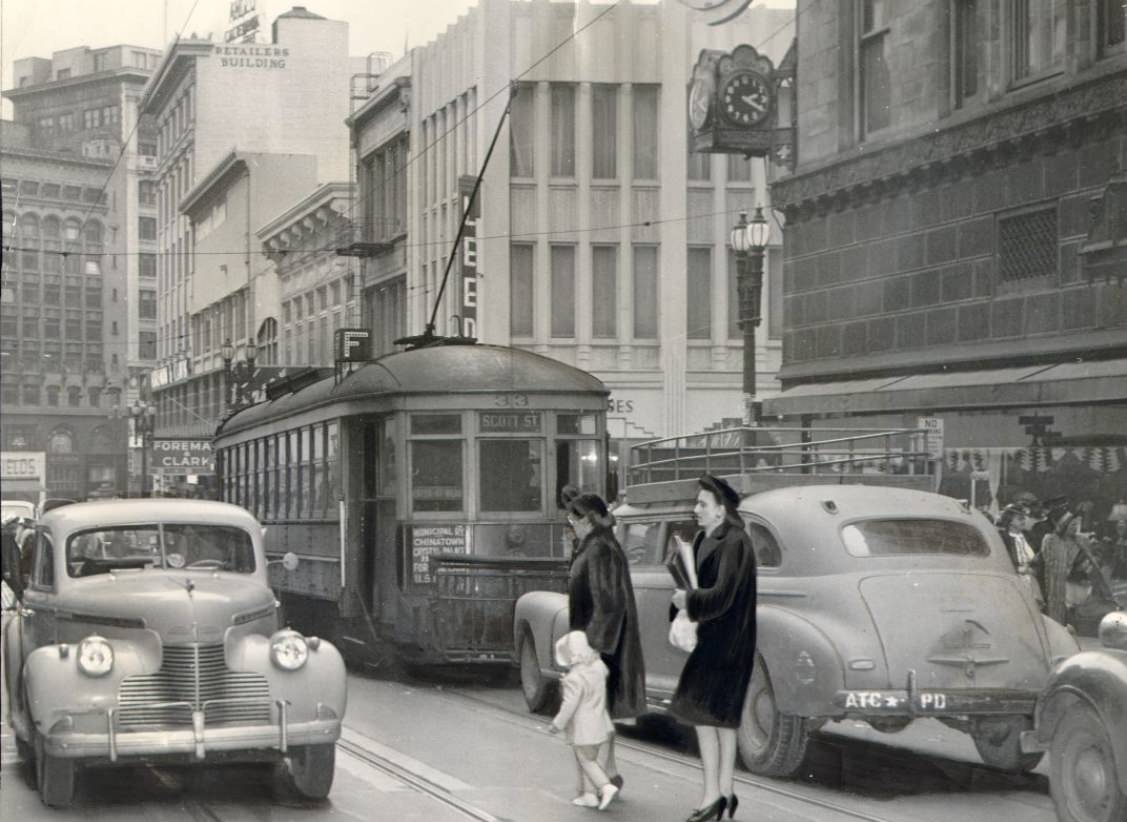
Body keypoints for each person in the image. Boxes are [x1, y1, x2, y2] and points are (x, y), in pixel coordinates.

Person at [670, 474, 758, 822]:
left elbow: (721, 596)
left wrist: (687, 600)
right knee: (720, 721)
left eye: (702, 504)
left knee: (705, 717)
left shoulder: (734, 543)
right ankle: (724, 793)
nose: (696, 510)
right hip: (720, 642)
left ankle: (712, 796)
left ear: (721, 511)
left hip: (725, 645)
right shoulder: (717, 538)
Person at [564, 491, 645, 793]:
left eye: (573, 518)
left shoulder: (598, 549)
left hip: (599, 644)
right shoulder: (597, 546)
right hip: (601, 642)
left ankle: (599, 778)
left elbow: (607, 603)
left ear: (587, 519)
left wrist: (589, 648)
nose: (570, 524)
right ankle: (608, 773)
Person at [548, 631, 619, 810]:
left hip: (584, 729)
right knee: (592, 759)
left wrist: (557, 724)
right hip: (602, 724)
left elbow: (569, 706)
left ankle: (605, 786)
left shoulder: (573, 679)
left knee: (585, 761)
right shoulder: (599, 668)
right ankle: (590, 796)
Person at [1041, 510, 1091, 626]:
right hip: (1056, 580)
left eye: (1077, 525)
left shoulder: (1080, 541)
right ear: (1064, 525)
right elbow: (1047, 560)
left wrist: (1083, 566)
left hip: (1075, 580)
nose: (1075, 527)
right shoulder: (1051, 540)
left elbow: (1089, 558)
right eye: (1073, 524)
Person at [997, 503, 1043, 607]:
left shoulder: (1029, 536)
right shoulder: (1003, 538)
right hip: (1013, 581)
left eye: (1023, 518)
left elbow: (1038, 556)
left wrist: (1034, 568)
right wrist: (1018, 570)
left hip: (1031, 580)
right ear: (1010, 521)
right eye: (1019, 519)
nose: (1023, 521)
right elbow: (1002, 561)